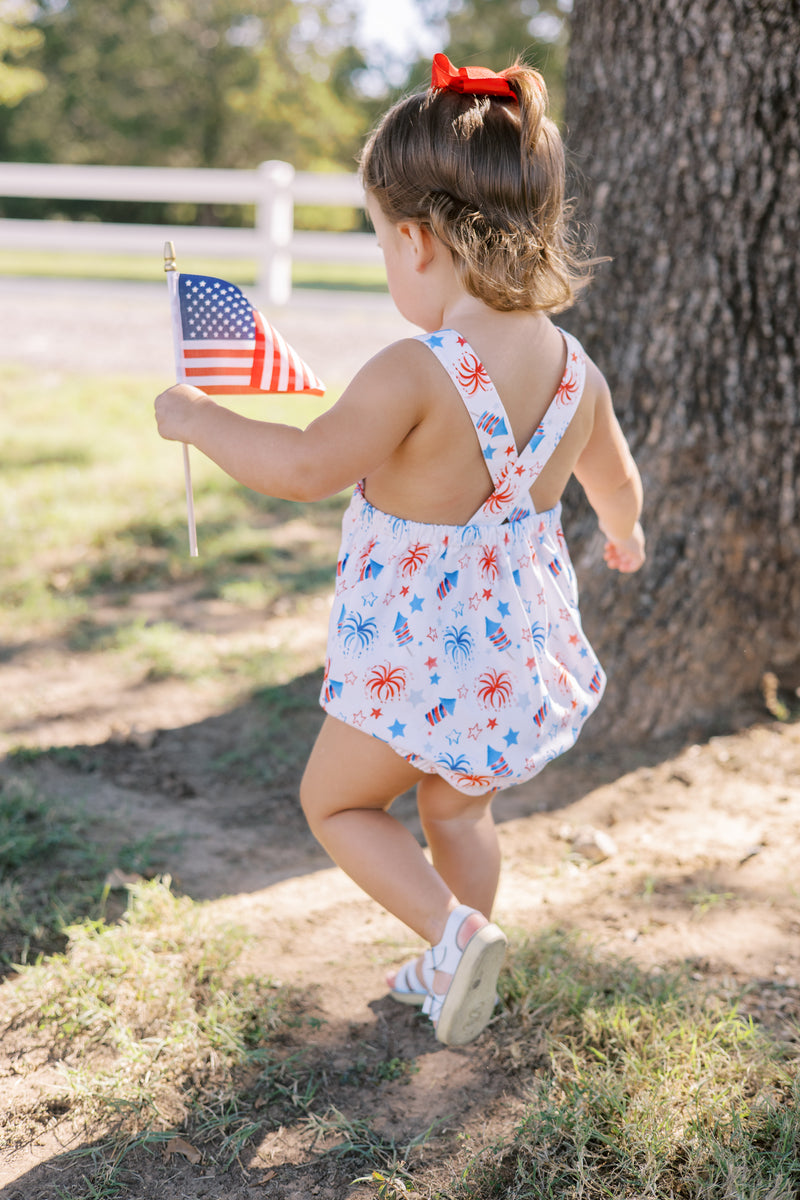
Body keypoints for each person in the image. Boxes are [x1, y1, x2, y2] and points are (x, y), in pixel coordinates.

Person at [155, 52, 645, 1047]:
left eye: (381, 243)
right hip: (508, 657)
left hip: (413, 659)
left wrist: (200, 419)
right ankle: (458, 960)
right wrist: (625, 537)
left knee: (335, 804)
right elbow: (616, 485)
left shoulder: (416, 372)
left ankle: (454, 934)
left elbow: (301, 467)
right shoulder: (572, 369)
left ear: (418, 241)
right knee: (455, 813)